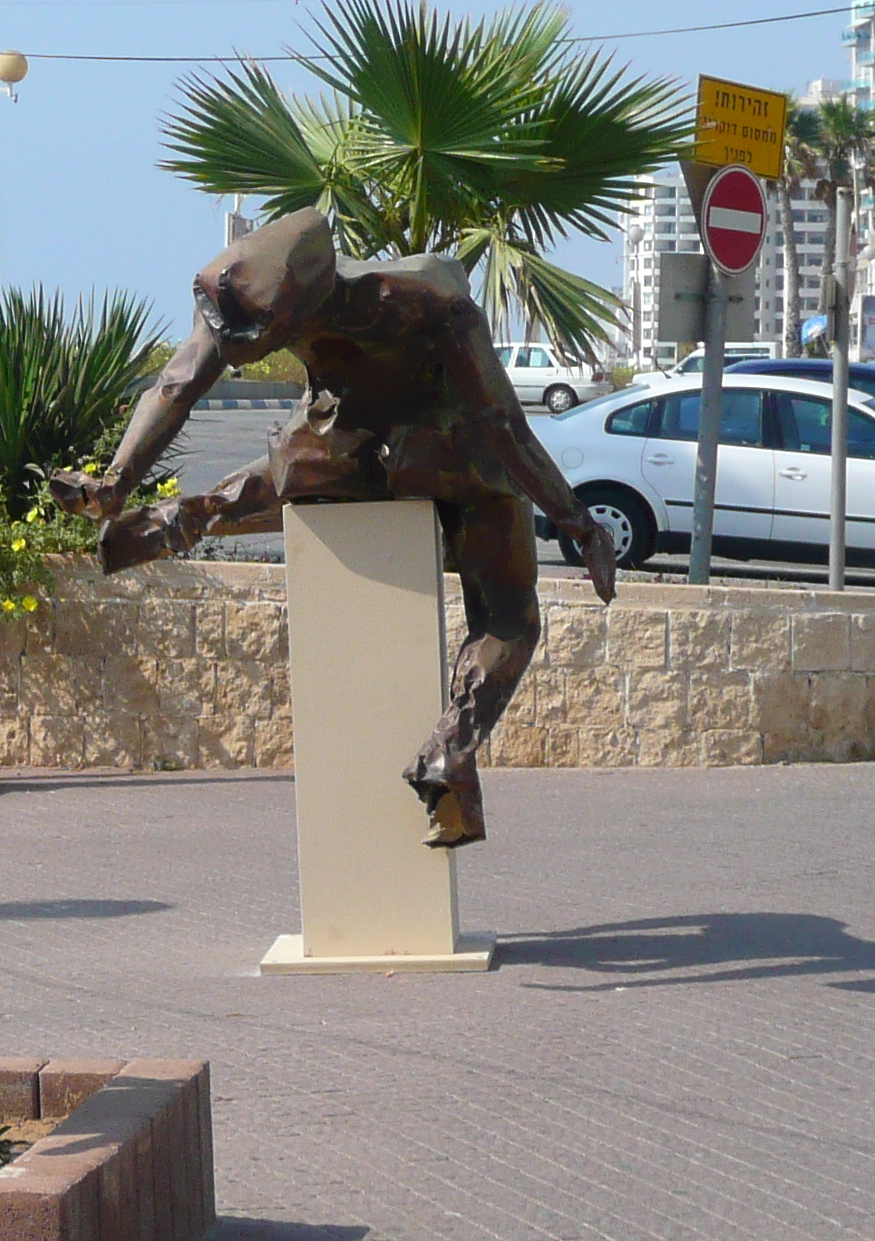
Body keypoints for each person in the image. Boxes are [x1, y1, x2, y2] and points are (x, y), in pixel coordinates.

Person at [52, 208, 618, 848]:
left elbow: (175, 385)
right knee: (511, 619)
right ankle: (450, 752)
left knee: (301, 460)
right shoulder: (265, 295)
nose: (237, 356)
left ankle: (198, 513)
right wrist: (575, 521)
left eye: (254, 343)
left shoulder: (422, 293)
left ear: (299, 308)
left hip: (358, 450)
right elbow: (504, 426)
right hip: (445, 456)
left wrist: (119, 480)